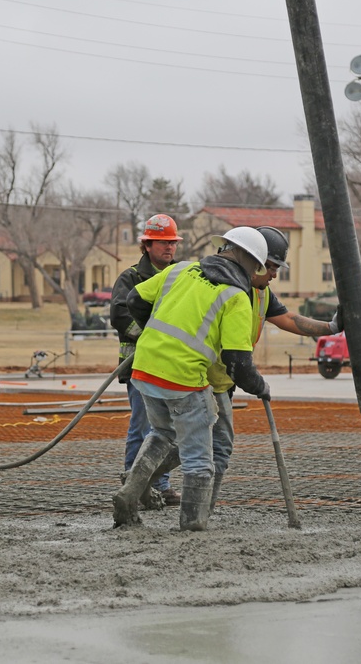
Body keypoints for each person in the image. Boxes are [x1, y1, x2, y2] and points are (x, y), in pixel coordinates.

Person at [113, 226, 272, 532]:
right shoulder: (236, 297)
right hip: (184, 378)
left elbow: (134, 300)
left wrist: (155, 336)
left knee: (160, 434)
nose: (256, 273)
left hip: (145, 368)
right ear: (246, 260)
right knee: (200, 457)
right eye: (256, 266)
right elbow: (237, 362)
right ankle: (193, 525)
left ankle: (128, 494)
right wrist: (260, 386)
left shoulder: (180, 270)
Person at [204, 226, 341, 510]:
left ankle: (194, 502)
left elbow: (289, 319)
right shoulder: (222, 286)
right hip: (200, 378)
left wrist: (331, 328)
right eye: (271, 267)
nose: (275, 274)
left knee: (206, 445)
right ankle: (192, 505)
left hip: (222, 382)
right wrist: (255, 383)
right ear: (253, 260)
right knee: (203, 444)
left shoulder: (261, 293)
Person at [109, 214, 183, 508]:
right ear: (147, 245)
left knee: (166, 429)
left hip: (170, 367)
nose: (169, 248)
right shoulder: (131, 278)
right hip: (139, 367)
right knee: (142, 427)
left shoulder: (180, 276)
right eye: (163, 243)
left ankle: (160, 485)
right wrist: (151, 339)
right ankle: (133, 483)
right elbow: (119, 315)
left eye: (172, 243)